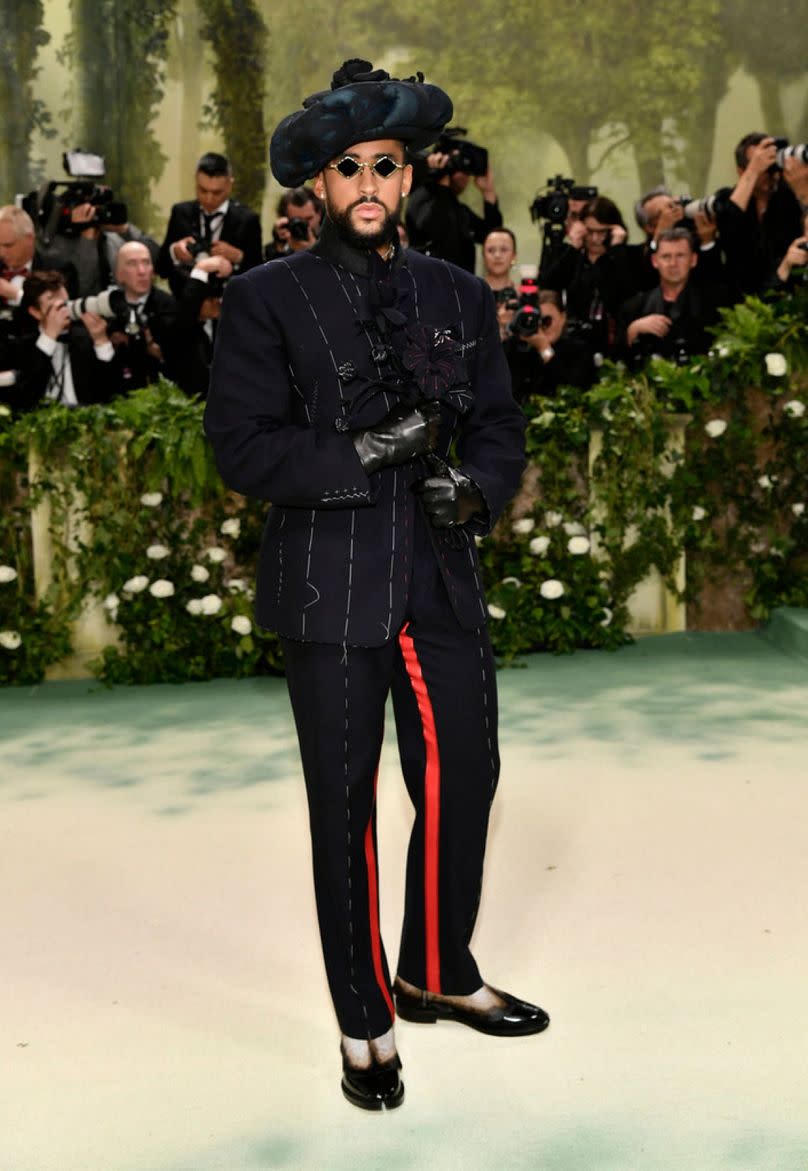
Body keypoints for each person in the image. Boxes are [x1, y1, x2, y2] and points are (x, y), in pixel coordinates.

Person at [205, 58, 548, 1114]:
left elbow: (496, 422)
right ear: (315, 183)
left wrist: (476, 490)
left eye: (385, 166)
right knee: (342, 808)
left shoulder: (454, 290)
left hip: (437, 574)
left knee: (467, 774)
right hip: (328, 585)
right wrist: (366, 451)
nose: (367, 183)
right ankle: (365, 1023)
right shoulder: (265, 299)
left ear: (410, 178)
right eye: (347, 166)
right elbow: (240, 447)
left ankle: (436, 969)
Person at [616, 227, 729, 369]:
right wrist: (632, 331)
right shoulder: (633, 307)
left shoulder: (715, 304)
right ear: (655, 261)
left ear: (693, 260)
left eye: (680, 256)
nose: (673, 264)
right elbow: (617, 360)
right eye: (666, 256)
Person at [9, 271, 118, 412]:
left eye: (64, 300)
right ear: (35, 312)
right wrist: (49, 336)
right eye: (52, 300)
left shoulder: (86, 337)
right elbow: (26, 395)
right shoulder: (21, 345)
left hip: (84, 420)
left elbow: (111, 390)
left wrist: (101, 340)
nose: (63, 308)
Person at [540, 195, 634, 357]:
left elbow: (628, 292)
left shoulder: (623, 257)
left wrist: (617, 249)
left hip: (615, 339)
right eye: (590, 231)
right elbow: (548, 285)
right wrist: (574, 247)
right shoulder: (573, 257)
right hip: (575, 341)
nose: (595, 239)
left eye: (602, 232)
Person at [714, 133, 807, 296]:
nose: (768, 171)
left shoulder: (790, 193)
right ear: (742, 172)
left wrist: (803, 192)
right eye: (761, 164)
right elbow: (729, 226)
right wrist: (754, 170)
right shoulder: (729, 198)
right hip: (745, 302)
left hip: (789, 294)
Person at [157, 152, 262, 296]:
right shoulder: (180, 213)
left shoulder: (247, 220)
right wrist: (175, 251)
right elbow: (161, 268)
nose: (208, 198)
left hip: (228, 304)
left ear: (230, 185)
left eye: (217, 192)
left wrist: (238, 257)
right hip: (185, 305)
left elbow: (259, 274)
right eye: (202, 190)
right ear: (195, 182)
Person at [405, 134, 502, 272]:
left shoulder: (459, 210)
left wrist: (488, 192)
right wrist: (440, 179)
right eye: (459, 165)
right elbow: (437, 228)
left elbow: (494, 237)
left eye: (468, 169)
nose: (465, 176)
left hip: (461, 289)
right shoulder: (421, 196)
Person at [107, 241, 178, 392]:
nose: (142, 271)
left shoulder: (169, 306)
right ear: (119, 274)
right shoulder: (108, 306)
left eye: (146, 263)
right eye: (132, 264)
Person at [504, 289, 596, 402]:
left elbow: (572, 392)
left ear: (562, 318)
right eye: (534, 320)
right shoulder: (514, 348)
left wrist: (544, 349)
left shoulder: (580, 350)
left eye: (546, 321)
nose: (540, 327)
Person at [265, 187, 323, 260]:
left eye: (308, 218)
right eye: (297, 220)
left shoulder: (334, 243)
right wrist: (279, 245)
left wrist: (314, 251)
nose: (304, 224)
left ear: (319, 214)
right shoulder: (277, 249)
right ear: (285, 220)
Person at [481, 227, 519, 340]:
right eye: (491, 250)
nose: (497, 255)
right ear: (483, 256)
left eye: (503, 250)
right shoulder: (470, 294)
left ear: (514, 256)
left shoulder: (524, 295)